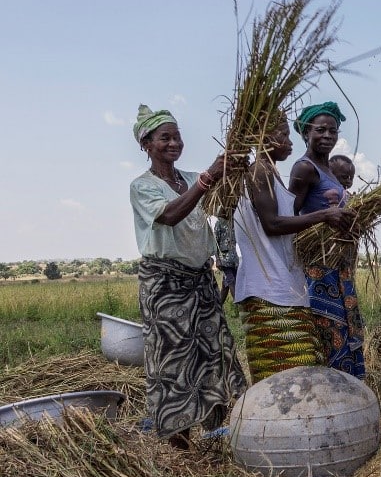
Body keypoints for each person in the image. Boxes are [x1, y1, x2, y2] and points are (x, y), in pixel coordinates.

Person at [129, 104, 248, 449]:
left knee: (216, 353)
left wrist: (234, 171)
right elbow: (170, 215)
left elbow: (222, 209)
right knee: (173, 360)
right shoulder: (142, 187)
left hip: (200, 281)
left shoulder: (189, 178)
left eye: (177, 136)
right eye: (164, 137)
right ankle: (178, 444)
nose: (173, 143)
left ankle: (217, 430)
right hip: (165, 285)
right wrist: (208, 178)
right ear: (146, 144)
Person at [233, 116, 353, 384]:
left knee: (298, 374)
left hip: (284, 288)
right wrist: (324, 215)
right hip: (267, 290)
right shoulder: (258, 172)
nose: (289, 143)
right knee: (285, 378)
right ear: (262, 138)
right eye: (284, 136)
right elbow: (272, 224)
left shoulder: (270, 172)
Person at [288, 102, 366, 379]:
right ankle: (334, 398)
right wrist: (325, 216)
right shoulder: (304, 168)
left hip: (338, 267)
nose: (327, 136)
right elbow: (289, 218)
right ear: (306, 132)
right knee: (329, 333)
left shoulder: (331, 171)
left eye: (332, 131)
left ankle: (351, 398)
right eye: (320, 130)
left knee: (346, 332)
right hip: (318, 269)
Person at [213, 215, 238, 304]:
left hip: (234, 260)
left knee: (225, 287)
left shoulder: (235, 222)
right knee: (232, 281)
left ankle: (217, 306)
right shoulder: (219, 223)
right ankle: (239, 304)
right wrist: (217, 259)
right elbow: (214, 242)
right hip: (224, 260)